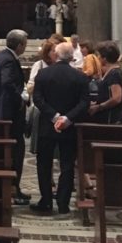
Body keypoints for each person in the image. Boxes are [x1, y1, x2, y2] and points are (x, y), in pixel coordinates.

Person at [31, 42, 90, 215]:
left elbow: (38, 99)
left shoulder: (43, 74)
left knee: (44, 164)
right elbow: (84, 102)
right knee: (67, 165)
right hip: (69, 127)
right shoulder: (80, 77)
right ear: (72, 57)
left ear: (56, 55)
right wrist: (67, 118)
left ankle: (46, 201)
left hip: (47, 125)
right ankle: (63, 203)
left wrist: (54, 116)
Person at [0, 28, 30, 205]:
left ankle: (14, 189)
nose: (25, 47)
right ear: (19, 45)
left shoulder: (0, 56)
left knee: (9, 153)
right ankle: (13, 189)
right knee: (14, 153)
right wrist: (21, 97)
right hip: (9, 115)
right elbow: (7, 83)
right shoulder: (9, 60)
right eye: (24, 44)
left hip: (0, 111)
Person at [89, 41, 122, 123]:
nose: (98, 58)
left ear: (104, 58)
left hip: (111, 117)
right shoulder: (111, 71)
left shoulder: (114, 73)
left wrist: (99, 107)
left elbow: (116, 98)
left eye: (99, 55)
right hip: (107, 115)